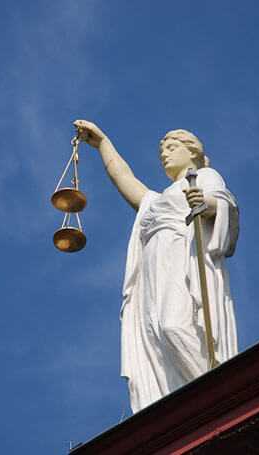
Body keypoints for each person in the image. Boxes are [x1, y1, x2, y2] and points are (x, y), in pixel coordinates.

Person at [74, 119, 239, 413]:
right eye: (162, 149)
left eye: (172, 147)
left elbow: (223, 202)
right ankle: (178, 404)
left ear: (192, 152)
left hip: (181, 258)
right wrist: (102, 143)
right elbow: (125, 178)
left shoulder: (203, 175)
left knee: (174, 325)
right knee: (154, 336)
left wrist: (205, 202)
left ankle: (215, 393)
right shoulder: (155, 201)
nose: (164, 154)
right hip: (151, 272)